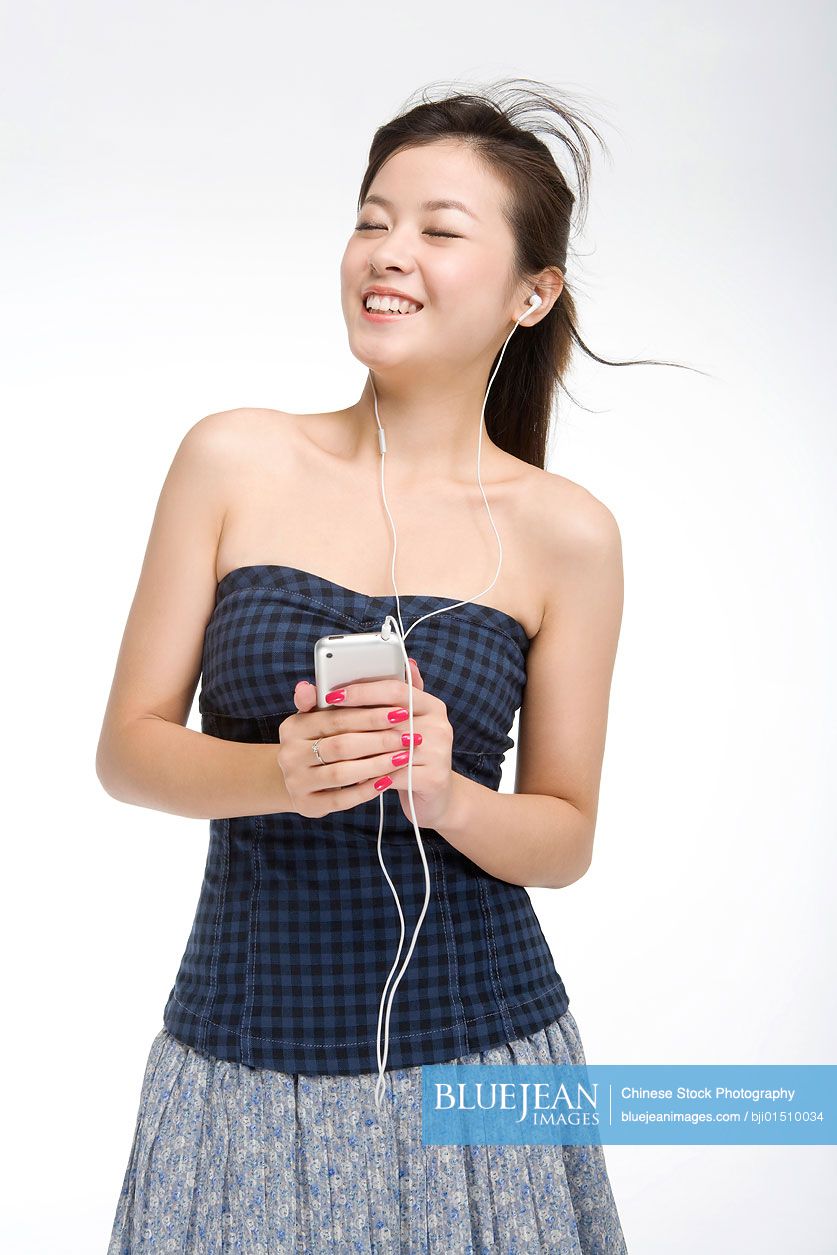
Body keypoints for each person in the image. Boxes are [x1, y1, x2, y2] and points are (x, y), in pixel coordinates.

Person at [97, 78, 688, 1252]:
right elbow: (128, 750)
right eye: (374, 218)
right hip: (239, 1067)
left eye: (439, 228)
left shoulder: (569, 533)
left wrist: (449, 793)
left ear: (534, 292)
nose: (389, 252)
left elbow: (564, 834)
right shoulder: (233, 458)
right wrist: (285, 772)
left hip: (487, 1068)